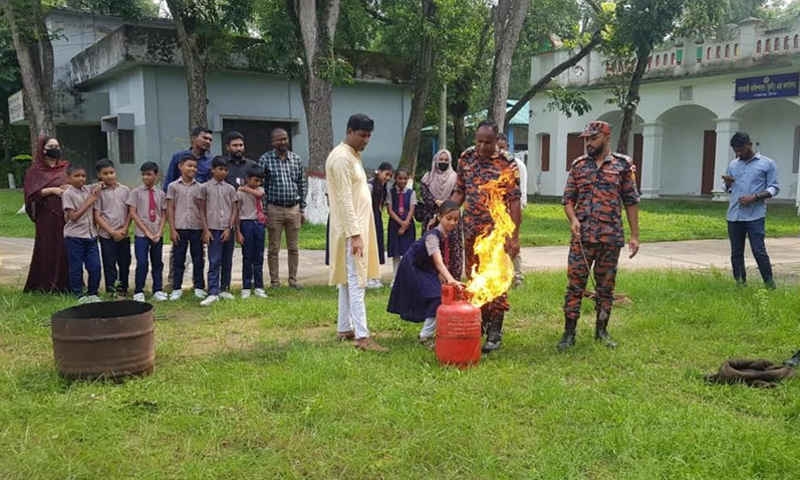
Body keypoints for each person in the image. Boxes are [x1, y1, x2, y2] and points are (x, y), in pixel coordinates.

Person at [558, 121, 640, 352]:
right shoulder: (579, 166)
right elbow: (568, 200)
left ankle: (601, 331)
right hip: (582, 238)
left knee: (605, 287)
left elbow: (631, 201)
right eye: (586, 139)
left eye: (593, 138)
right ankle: (569, 333)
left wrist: (635, 235)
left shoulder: (623, 165)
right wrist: (573, 220)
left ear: (606, 137)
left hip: (610, 237)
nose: (588, 143)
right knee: (575, 286)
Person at [451, 119, 521, 354]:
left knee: (497, 279)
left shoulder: (507, 163)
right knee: (473, 277)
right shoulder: (466, 158)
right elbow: (460, 190)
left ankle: (495, 330)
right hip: (471, 230)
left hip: (496, 233)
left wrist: (513, 236)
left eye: (487, 142)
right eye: (479, 141)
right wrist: (448, 213)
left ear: (496, 141)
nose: (482, 146)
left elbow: (513, 201)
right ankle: (477, 322)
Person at [326, 113, 388, 352]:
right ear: (349, 131)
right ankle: (362, 336)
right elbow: (343, 199)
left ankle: (344, 327)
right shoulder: (341, 158)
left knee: (347, 280)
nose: (366, 140)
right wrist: (355, 234)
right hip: (351, 230)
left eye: (369, 136)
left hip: (356, 227)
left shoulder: (352, 156)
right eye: (362, 135)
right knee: (356, 280)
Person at [387, 201, 464, 349]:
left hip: (425, 267)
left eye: (456, 219)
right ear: (440, 216)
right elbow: (439, 260)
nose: (453, 222)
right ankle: (425, 336)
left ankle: (435, 331)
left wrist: (441, 275)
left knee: (439, 294)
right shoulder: (433, 236)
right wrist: (451, 279)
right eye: (449, 218)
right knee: (436, 296)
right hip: (413, 266)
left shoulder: (444, 234)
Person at [722, 131, 779, 289]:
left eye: (741, 150)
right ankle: (740, 284)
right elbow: (727, 188)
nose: (738, 154)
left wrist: (754, 197)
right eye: (736, 151)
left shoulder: (767, 163)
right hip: (734, 216)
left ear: (749, 145)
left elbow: (774, 188)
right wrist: (727, 183)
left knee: (758, 251)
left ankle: (769, 284)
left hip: (755, 216)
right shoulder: (733, 164)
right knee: (736, 253)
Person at [259, 128, 307, 290]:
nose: (283, 142)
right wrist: (264, 211)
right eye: (279, 140)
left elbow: (301, 184)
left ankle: (293, 280)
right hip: (274, 208)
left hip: (293, 208)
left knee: (293, 247)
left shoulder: (296, 160)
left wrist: (302, 209)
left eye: (285, 139)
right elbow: (261, 187)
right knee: (274, 248)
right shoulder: (265, 160)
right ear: (273, 142)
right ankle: (275, 282)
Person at [164, 127, 213, 284]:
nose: (208, 142)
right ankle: (173, 282)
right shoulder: (178, 157)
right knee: (177, 250)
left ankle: (198, 283)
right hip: (180, 213)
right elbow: (169, 184)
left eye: (210, 140)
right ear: (194, 138)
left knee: (199, 251)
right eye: (205, 138)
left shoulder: (210, 161)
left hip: (199, 212)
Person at [23, 135, 70, 293]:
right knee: (47, 248)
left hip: (65, 214)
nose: (55, 149)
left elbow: (77, 181)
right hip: (47, 216)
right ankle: (45, 283)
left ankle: (66, 284)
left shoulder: (65, 168)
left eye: (57, 146)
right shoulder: (35, 171)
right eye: (51, 146)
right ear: (42, 149)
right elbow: (30, 193)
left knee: (66, 248)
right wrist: (52, 190)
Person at [197, 157, 239, 306]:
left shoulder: (230, 188)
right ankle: (213, 291)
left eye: (226, 170)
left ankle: (224, 288)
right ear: (212, 169)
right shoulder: (205, 187)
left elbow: (235, 209)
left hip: (227, 229)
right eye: (220, 169)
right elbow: (201, 209)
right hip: (213, 229)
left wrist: (229, 227)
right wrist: (206, 230)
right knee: (214, 260)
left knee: (227, 260)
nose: (223, 172)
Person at [166, 155, 206, 301]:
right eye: (189, 166)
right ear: (180, 166)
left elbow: (203, 209)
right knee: (178, 258)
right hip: (180, 227)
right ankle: (177, 288)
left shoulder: (200, 187)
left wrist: (205, 229)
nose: (193, 169)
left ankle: (199, 287)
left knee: (198, 258)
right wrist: (172, 228)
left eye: (195, 166)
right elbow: (170, 208)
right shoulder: (173, 186)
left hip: (197, 227)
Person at [127, 162, 168, 303]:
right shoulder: (136, 193)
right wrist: (146, 231)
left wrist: (159, 231)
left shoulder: (161, 194)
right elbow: (133, 213)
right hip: (141, 234)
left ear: (156, 176)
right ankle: (139, 290)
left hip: (157, 233)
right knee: (142, 262)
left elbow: (164, 214)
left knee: (157, 262)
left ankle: (157, 289)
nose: (145, 177)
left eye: (149, 174)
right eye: (143, 174)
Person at [61, 165, 102, 303]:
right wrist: (88, 202)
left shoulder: (87, 189)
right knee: (76, 268)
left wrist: (99, 185)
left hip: (91, 236)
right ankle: (78, 294)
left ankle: (93, 293)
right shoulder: (68, 194)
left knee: (95, 266)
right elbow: (73, 216)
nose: (81, 179)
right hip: (74, 237)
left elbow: (101, 183)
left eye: (83, 176)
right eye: (77, 176)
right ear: (68, 178)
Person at [420, 149, 463, 280]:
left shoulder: (455, 178)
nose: (443, 162)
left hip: (451, 218)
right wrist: (436, 202)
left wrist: (446, 207)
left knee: (453, 249)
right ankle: (431, 279)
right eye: (441, 159)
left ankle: (453, 279)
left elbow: (459, 195)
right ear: (435, 160)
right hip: (431, 216)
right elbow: (424, 194)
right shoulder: (427, 178)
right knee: (432, 249)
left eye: (446, 160)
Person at [93, 158, 132, 297]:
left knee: (125, 262)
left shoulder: (125, 190)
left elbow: (130, 212)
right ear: (99, 175)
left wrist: (125, 228)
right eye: (105, 173)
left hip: (124, 233)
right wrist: (111, 231)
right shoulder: (98, 192)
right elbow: (97, 216)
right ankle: (111, 290)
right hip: (107, 235)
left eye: (112, 172)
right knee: (109, 263)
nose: (109, 176)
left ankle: (123, 288)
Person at [498, 133, 527, 289]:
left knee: (514, 243)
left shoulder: (517, 165)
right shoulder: (494, 164)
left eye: (503, 148)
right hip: (497, 213)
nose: (501, 151)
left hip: (512, 213)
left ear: (508, 147)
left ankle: (518, 276)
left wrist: (517, 213)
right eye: (498, 148)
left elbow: (521, 192)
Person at [236, 166, 268, 299]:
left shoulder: (258, 189)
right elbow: (237, 213)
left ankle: (259, 286)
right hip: (246, 224)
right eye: (255, 180)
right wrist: (238, 232)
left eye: (260, 181)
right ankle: (246, 286)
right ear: (247, 179)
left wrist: (243, 187)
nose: (258, 183)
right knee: (247, 257)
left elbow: (259, 195)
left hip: (259, 224)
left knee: (258, 257)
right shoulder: (240, 194)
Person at [366, 162, 394, 288]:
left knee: (377, 246)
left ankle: (374, 276)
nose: (387, 178)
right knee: (368, 246)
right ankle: (367, 277)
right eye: (386, 174)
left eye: (390, 176)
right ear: (379, 171)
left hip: (377, 218)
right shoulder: (370, 186)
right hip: (368, 218)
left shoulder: (384, 188)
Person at [387, 168, 417, 278]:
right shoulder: (390, 192)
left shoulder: (411, 193)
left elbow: (412, 209)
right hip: (395, 224)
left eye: (405, 178)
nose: (402, 181)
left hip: (408, 225)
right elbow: (390, 210)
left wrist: (405, 224)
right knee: (395, 252)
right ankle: (395, 277)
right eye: (400, 178)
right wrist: (400, 223)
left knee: (407, 251)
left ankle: (406, 276)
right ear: (395, 178)